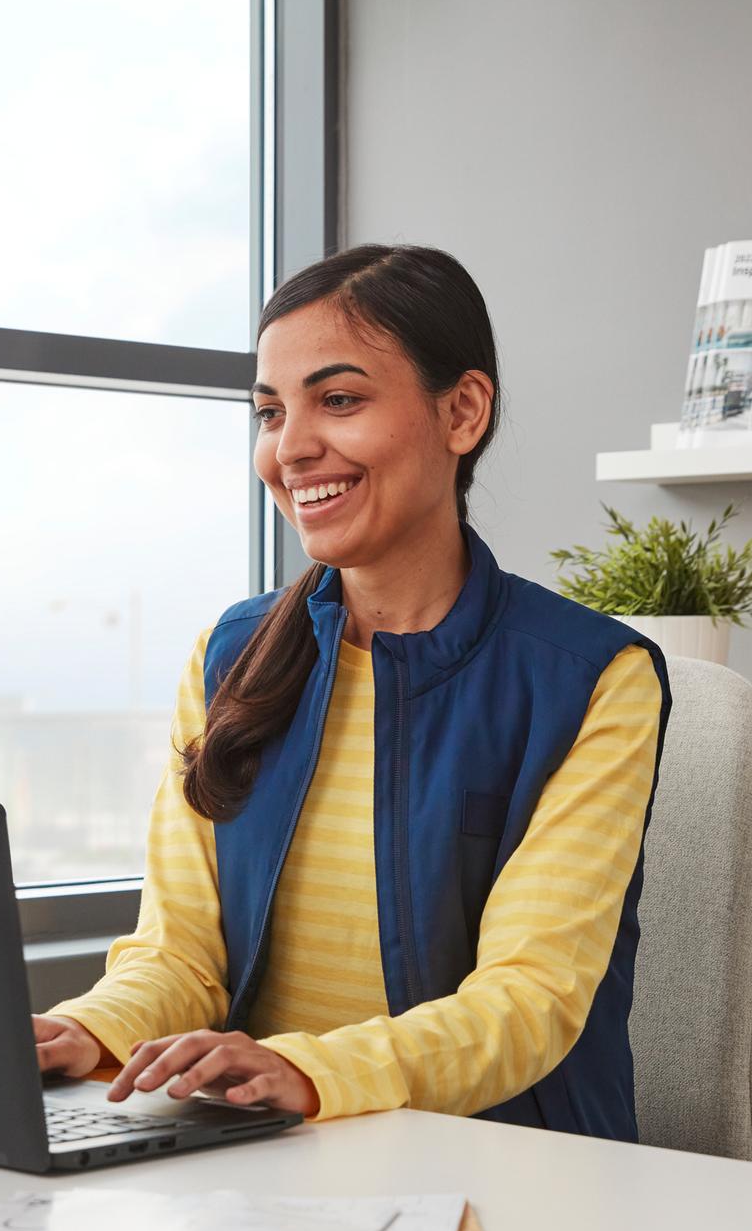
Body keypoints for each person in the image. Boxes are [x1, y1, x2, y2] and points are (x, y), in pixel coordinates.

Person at [33, 243, 671, 1142]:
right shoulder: (231, 658)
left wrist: (307, 1068)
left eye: (338, 400)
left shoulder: (590, 678)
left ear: (462, 411)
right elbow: (179, 952)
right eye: (269, 411)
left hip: (510, 1166)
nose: (290, 448)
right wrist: (83, 1029)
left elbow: (531, 1000)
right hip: (268, 1155)